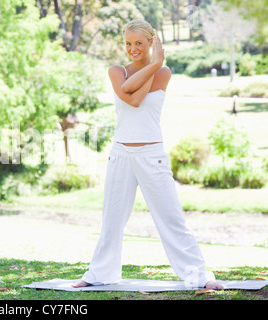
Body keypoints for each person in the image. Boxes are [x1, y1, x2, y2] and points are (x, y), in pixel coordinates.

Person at [73, 19, 223, 290]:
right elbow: (129, 97)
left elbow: (136, 97)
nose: (133, 49)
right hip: (120, 154)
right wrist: (154, 63)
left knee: (171, 218)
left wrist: (155, 66)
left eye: (139, 43)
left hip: (151, 153)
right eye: (128, 43)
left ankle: (199, 275)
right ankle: (98, 274)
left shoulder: (163, 74)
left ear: (151, 43)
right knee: (112, 219)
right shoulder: (116, 71)